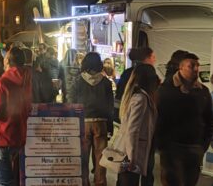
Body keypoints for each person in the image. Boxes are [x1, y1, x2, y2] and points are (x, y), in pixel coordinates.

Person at [156, 52, 212, 186]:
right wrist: (162, 145)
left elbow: (209, 119)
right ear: (180, 67)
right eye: (191, 66)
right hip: (172, 148)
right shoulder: (166, 90)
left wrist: (203, 145)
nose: (196, 69)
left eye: (197, 65)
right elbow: (160, 118)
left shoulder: (202, 91)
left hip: (195, 148)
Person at [0, 47, 32, 186]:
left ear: (7, 60)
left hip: (1, 139)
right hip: (18, 137)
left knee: (3, 182)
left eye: (5, 56)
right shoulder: (27, 80)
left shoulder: (1, 83)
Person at [68, 52, 114, 186]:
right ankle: (100, 182)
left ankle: (83, 182)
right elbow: (110, 107)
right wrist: (110, 127)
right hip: (101, 122)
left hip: (82, 123)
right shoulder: (106, 82)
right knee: (100, 156)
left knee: (83, 155)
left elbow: (71, 103)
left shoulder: (77, 81)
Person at [115, 64, 159, 186]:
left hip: (128, 153)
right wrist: (132, 158)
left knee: (124, 181)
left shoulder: (134, 95)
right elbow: (132, 130)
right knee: (128, 182)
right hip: (131, 155)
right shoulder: (141, 98)